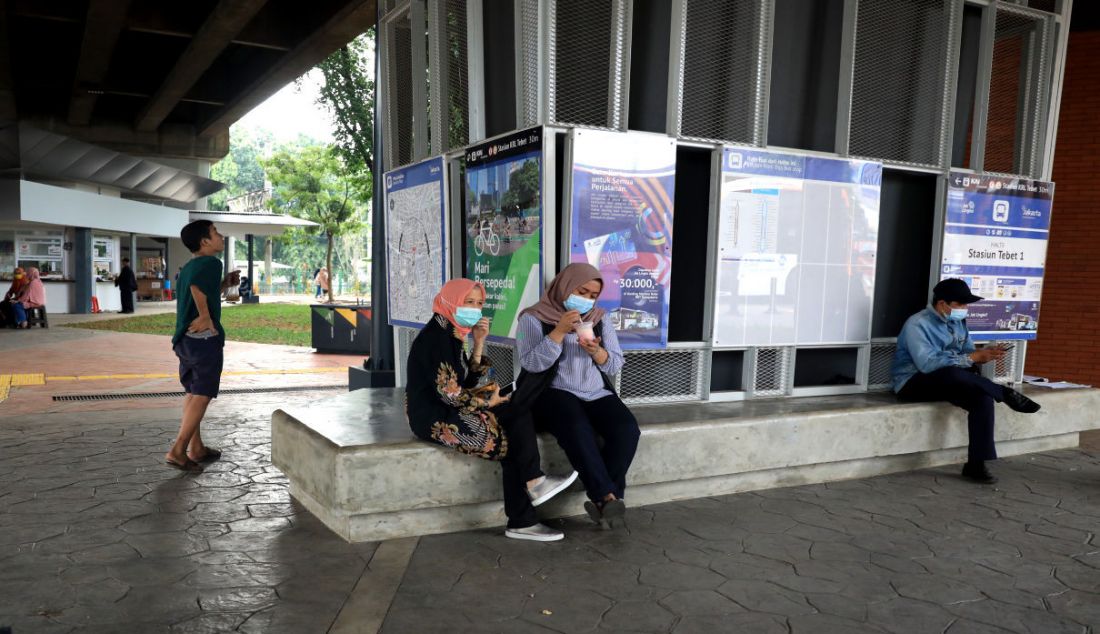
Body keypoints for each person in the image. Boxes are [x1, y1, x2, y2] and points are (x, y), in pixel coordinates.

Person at [405, 278, 578, 541]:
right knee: (510, 431)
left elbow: (467, 382)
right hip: (434, 417)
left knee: (516, 412)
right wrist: (488, 404)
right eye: (468, 302)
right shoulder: (436, 339)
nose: (475, 309)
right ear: (451, 301)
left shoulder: (452, 331)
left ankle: (529, 501)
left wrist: (479, 342)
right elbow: (451, 396)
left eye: (479, 303)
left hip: (451, 407)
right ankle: (527, 505)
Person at [517, 263, 640, 529]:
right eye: (581, 291)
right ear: (564, 286)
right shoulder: (533, 317)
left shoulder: (598, 318)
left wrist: (597, 352)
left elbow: (615, 364)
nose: (586, 299)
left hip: (594, 390)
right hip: (553, 391)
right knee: (576, 427)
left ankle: (604, 500)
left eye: (593, 295)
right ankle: (607, 497)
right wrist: (559, 331)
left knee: (627, 429)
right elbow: (531, 364)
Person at [893, 278, 1041, 484]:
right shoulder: (917, 324)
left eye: (966, 305)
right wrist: (970, 358)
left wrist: (983, 354)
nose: (964, 309)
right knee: (951, 373)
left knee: (982, 398)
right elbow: (926, 364)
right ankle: (1002, 392)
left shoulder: (958, 322)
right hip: (913, 382)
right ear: (942, 304)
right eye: (960, 304)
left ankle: (976, 464)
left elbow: (967, 352)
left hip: (948, 380)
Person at [165, 220, 240, 472]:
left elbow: (200, 288)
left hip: (184, 339)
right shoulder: (211, 262)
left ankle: (195, 447)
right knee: (203, 393)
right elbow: (197, 290)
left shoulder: (190, 266)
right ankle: (178, 450)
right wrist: (207, 318)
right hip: (202, 340)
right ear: (205, 241)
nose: (220, 236)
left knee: (193, 392)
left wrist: (224, 284)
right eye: (215, 233)